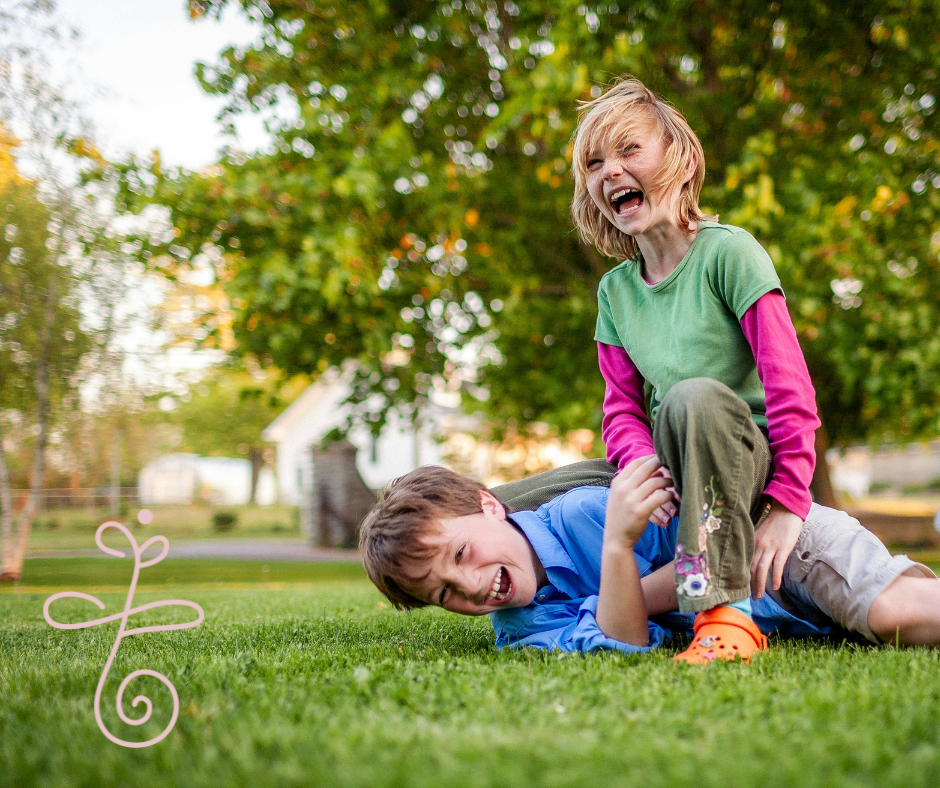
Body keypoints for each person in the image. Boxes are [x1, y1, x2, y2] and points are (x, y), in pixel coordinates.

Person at [568, 77, 821, 661]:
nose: (611, 171)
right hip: (673, 459)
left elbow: (791, 390)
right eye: (596, 163)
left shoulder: (729, 253)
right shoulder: (615, 293)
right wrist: (640, 467)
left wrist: (787, 506)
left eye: (629, 150)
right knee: (532, 494)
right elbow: (621, 410)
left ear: (679, 162)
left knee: (691, 397)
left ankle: (724, 616)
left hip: (744, 453)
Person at [358, 463, 940, 657]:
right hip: (777, 614)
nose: (470, 585)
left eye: (460, 555)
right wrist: (617, 553)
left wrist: (613, 562)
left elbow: (715, 556)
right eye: (444, 594)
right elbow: (627, 641)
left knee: (896, 615)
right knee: (873, 632)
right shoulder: (522, 629)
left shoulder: (588, 509)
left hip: (778, 546)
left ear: (490, 506)